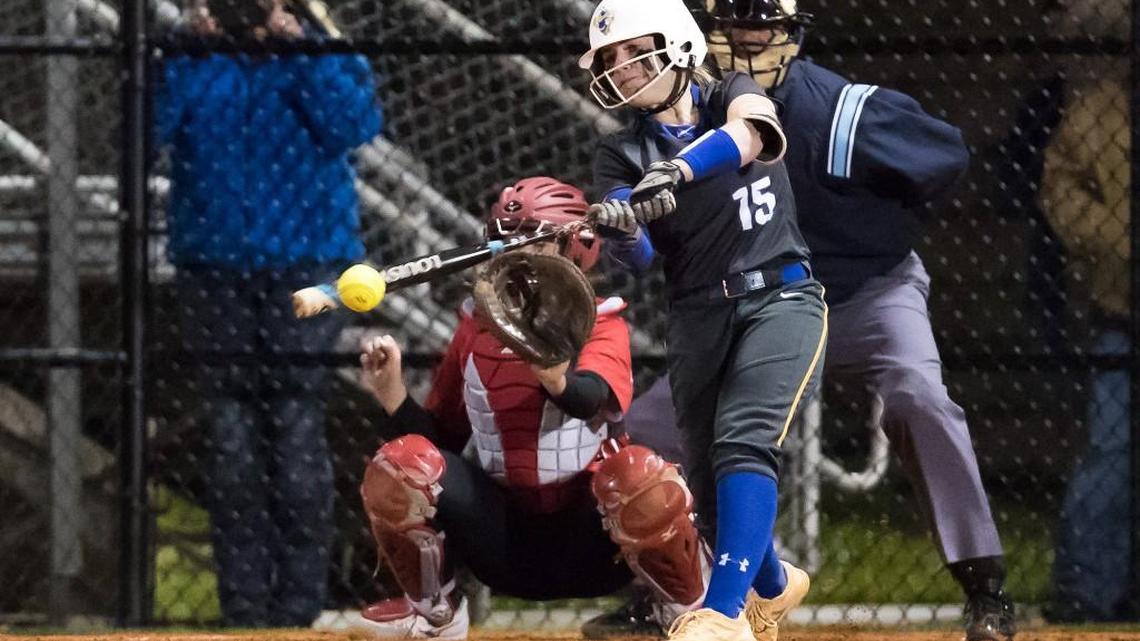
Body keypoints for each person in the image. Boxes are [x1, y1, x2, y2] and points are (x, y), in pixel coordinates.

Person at [694, 1, 1016, 639]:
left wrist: (878, 198)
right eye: (728, 17)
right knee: (655, 427)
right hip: (760, 309)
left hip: (868, 294)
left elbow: (945, 155)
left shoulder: (837, 112)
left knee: (919, 397)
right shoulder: (691, 115)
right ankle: (667, 591)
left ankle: (985, 587)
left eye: (758, 18)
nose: (743, 32)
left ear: (791, 29)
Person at [351, 177, 712, 639]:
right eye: (505, 240)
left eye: (530, 240)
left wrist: (555, 375)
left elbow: (592, 400)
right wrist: (393, 394)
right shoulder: (474, 332)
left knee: (639, 475)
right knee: (400, 463)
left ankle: (688, 612)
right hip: (505, 543)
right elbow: (439, 444)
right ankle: (437, 616)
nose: (513, 255)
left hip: (593, 545)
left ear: (573, 246)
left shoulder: (601, 325)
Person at [580, 0, 829, 638]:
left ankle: (721, 614)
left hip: (780, 296)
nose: (621, 68)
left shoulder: (730, 94)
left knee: (744, 439)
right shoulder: (621, 153)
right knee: (709, 485)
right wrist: (622, 224)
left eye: (632, 50)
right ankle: (773, 583)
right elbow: (636, 257)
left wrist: (683, 168)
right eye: (609, 59)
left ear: (678, 42)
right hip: (696, 311)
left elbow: (755, 135)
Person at [154, 0, 381, 626]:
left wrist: (300, 47)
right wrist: (185, 47)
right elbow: (150, 130)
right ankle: (244, 610)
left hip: (308, 264)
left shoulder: (321, 47)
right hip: (215, 265)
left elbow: (354, 124)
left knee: (293, 421)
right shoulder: (196, 56)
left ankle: (300, 609)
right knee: (230, 435)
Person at [1039, 59, 1133, 622]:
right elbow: (1060, 187)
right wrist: (1117, 238)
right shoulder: (1101, 107)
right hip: (1121, 307)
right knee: (1112, 451)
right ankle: (1086, 591)